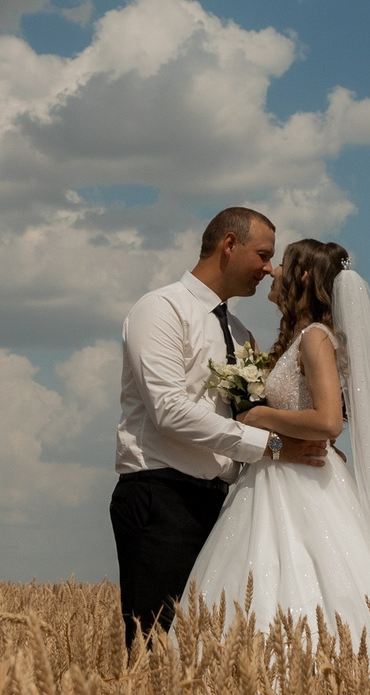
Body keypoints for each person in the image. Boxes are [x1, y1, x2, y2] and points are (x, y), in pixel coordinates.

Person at [185, 239, 370, 639]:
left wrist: (255, 415)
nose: (272, 271)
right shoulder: (301, 337)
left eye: (283, 263)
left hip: (298, 481)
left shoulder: (314, 337)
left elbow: (328, 422)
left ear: (304, 275)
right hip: (275, 473)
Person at [110, 208, 328, 646]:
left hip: (225, 504)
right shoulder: (161, 310)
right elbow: (168, 410)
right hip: (162, 498)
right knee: (156, 645)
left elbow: (251, 410)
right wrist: (271, 446)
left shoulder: (240, 331)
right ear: (229, 245)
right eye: (263, 255)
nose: (270, 270)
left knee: (208, 646)